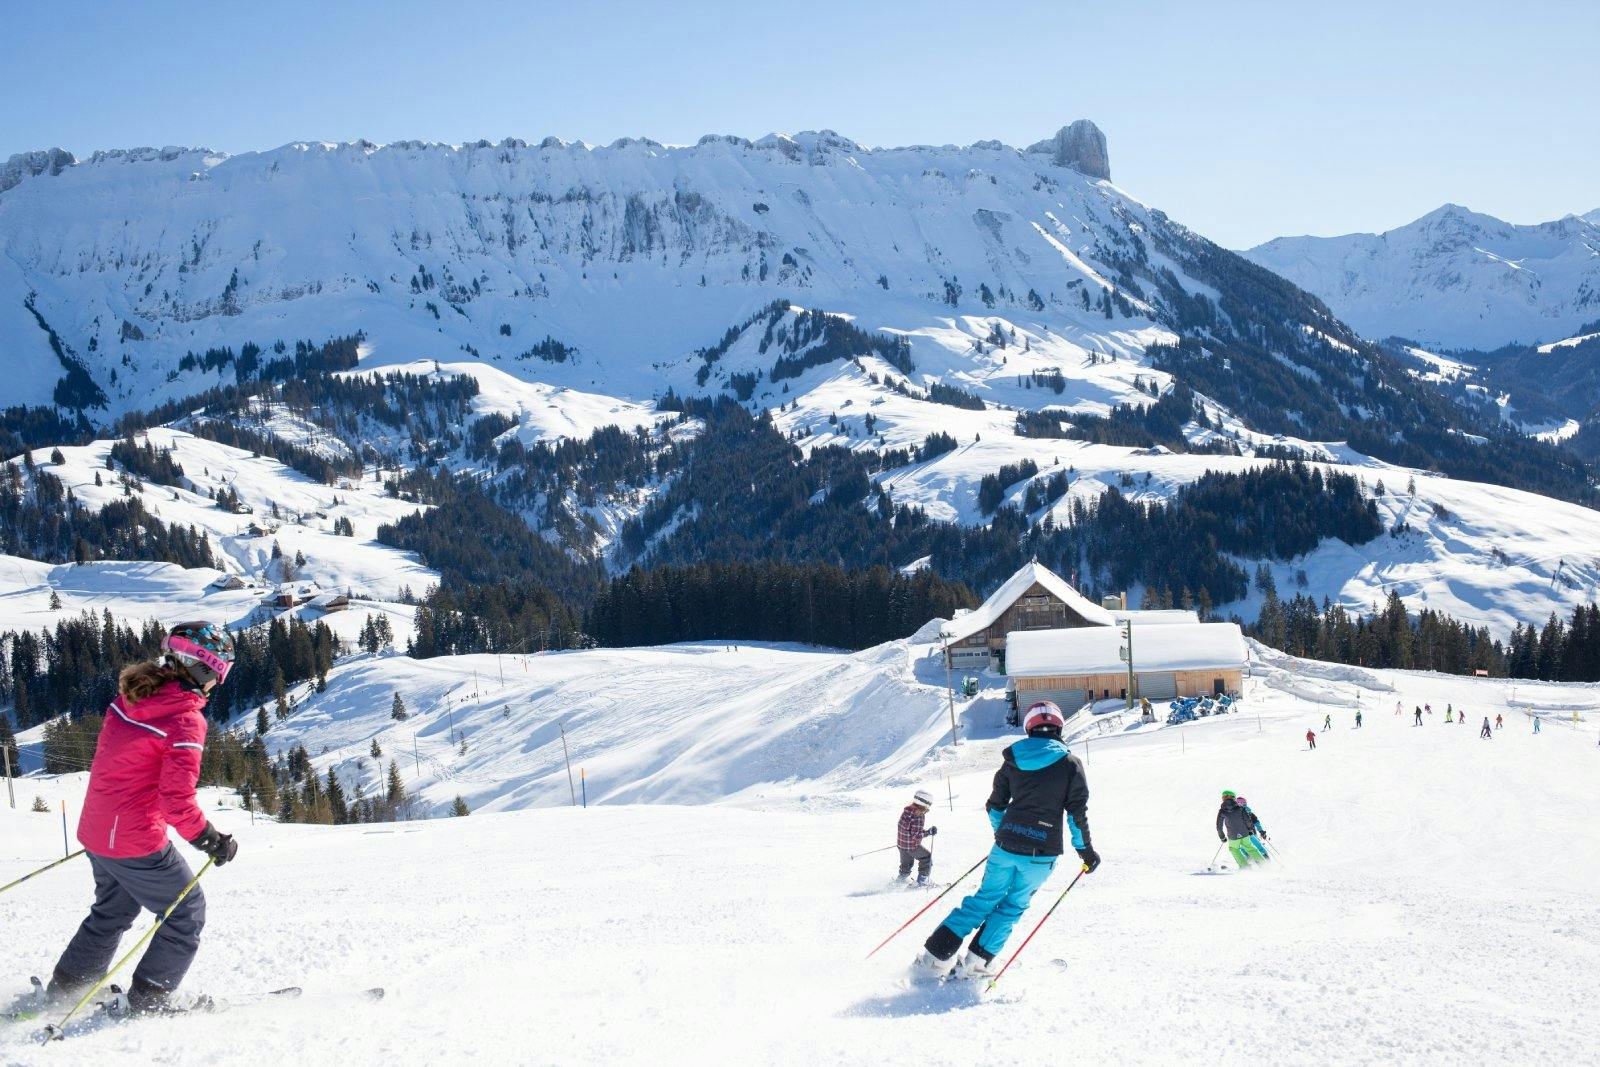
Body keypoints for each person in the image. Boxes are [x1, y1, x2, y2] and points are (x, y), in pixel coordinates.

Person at [45, 623, 239, 1016]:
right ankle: (150, 1001)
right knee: (186, 911)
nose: (217, 683)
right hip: (133, 840)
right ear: (202, 668)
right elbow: (176, 801)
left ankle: (66, 991)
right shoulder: (184, 720)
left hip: (97, 830)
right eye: (219, 673)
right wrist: (210, 839)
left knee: (113, 910)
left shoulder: (132, 698)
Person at [913, 701, 1098, 981]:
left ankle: (933, 959)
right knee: (1012, 907)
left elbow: (995, 806)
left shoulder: (1013, 760)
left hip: (1005, 848)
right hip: (1041, 855)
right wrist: (1086, 852)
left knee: (981, 901)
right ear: (1059, 728)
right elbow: (1076, 813)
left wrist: (1004, 833)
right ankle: (976, 964)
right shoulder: (1071, 764)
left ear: (1029, 728)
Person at [1216, 790, 1269, 868]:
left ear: (1223, 798)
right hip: (1245, 834)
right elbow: (1248, 820)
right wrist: (1250, 830)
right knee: (1250, 847)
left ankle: (1245, 867)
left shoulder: (1222, 811)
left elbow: (1219, 826)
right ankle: (1264, 865)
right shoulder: (1240, 808)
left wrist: (1222, 837)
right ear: (1234, 798)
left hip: (1233, 836)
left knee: (1234, 849)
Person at [897, 790, 937, 885]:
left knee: (906, 864)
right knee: (927, 858)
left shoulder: (907, 810)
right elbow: (916, 835)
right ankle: (922, 881)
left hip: (901, 845)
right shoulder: (918, 815)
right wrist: (928, 832)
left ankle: (900, 880)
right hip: (912, 846)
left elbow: (906, 829)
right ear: (925, 803)